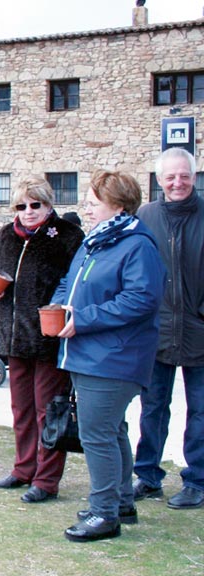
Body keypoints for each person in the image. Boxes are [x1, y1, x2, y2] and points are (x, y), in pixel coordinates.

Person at [53, 170, 164, 542]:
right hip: (90, 354)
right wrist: (58, 304)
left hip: (115, 358)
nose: (86, 206)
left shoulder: (136, 245)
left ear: (117, 203)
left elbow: (141, 299)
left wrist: (82, 319)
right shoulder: (97, 241)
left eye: (93, 200)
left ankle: (104, 513)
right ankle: (120, 503)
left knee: (96, 433)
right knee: (112, 430)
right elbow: (72, 281)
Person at [0, 178, 85, 503]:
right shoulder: (6, 236)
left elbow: (78, 284)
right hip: (13, 339)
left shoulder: (67, 237)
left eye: (35, 205)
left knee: (48, 411)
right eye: (21, 206)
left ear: (48, 204)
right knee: (21, 409)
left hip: (49, 341)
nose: (28, 212)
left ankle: (47, 479)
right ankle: (24, 468)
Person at [133, 147, 204, 510]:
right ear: (159, 180)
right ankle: (147, 476)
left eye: (184, 175)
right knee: (153, 407)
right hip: (158, 331)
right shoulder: (146, 215)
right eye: (170, 177)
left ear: (194, 176)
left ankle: (197, 480)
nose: (178, 182)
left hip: (200, 330)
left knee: (201, 410)